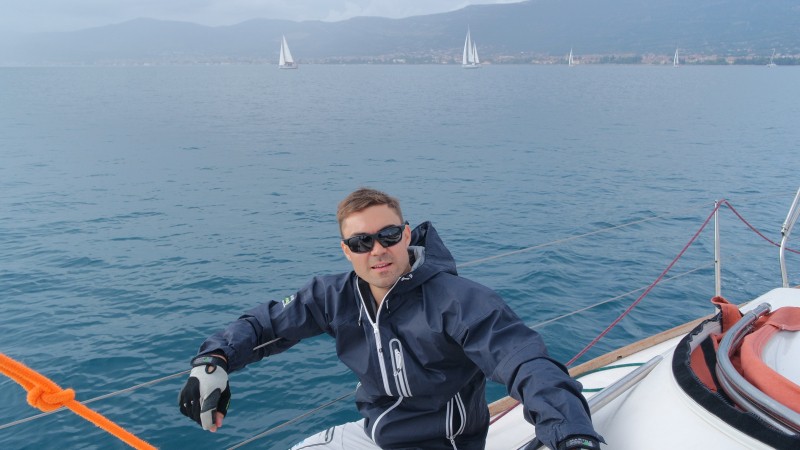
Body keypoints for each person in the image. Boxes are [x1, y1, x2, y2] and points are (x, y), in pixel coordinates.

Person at [179, 187, 603, 450]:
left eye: (388, 235)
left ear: (406, 234)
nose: (378, 250)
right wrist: (215, 359)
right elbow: (266, 324)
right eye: (361, 242)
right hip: (375, 434)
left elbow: (525, 362)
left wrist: (572, 434)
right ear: (346, 251)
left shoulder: (458, 301)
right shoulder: (334, 296)